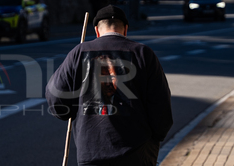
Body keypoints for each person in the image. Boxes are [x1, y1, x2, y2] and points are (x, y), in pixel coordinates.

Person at [45, 5, 173, 166]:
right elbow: (161, 105)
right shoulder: (143, 54)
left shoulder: (79, 53)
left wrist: (68, 110)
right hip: (137, 153)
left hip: (92, 151)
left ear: (97, 31)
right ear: (125, 30)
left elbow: (56, 97)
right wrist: (156, 138)